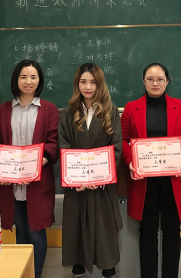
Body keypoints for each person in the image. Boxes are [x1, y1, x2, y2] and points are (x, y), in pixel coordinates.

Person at [121, 63, 181, 278]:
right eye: (150, 79)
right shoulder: (131, 108)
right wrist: (130, 160)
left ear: (167, 81)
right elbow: (123, 140)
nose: (155, 83)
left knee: (172, 232)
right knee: (147, 232)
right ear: (143, 81)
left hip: (174, 180)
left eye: (160, 79)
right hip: (144, 181)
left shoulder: (180, 106)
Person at [0, 60, 58, 278]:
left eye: (33, 77)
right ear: (16, 80)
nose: (28, 81)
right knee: (20, 230)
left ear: (39, 81)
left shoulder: (49, 109)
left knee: (37, 231)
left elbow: (53, 142)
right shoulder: (4, 109)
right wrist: (2, 171)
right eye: (23, 77)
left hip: (38, 182)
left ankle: (36, 275)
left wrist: (36, 166)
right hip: (11, 184)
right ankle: (24, 273)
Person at [58, 63, 122, 278]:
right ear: (77, 84)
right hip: (76, 185)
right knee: (76, 231)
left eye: (93, 82)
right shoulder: (68, 112)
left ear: (100, 84)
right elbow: (63, 146)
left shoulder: (111, 111)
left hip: (102, 185)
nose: (88, 87)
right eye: (83, 82)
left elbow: (116, 147)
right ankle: (78, 271)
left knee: (104, 234)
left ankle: (108, 271)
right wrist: (75, 177)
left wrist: (102, 176)